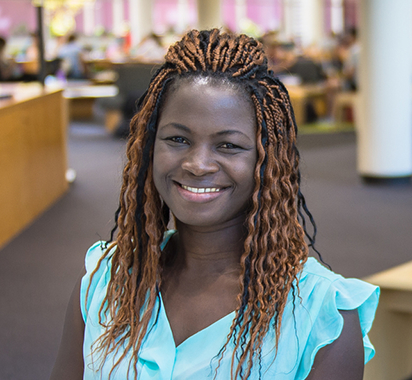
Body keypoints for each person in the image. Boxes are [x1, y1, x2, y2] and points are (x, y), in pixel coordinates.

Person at [48, 29, 376, 380]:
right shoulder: (106, 282)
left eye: (228, 145)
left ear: (266, 161)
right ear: (148, 148)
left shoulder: (323, 314)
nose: (197, 164)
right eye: (177, 139)